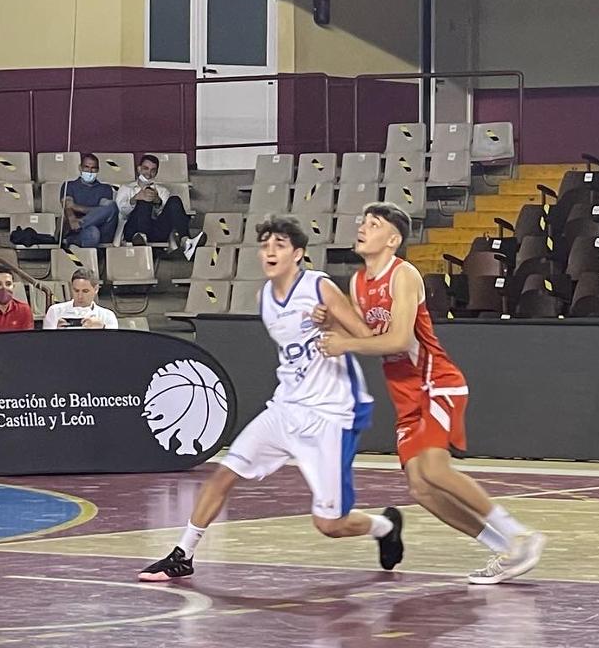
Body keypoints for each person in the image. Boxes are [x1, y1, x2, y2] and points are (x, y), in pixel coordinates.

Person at [138, 215, 404, 581]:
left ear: (298, 254)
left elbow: (367, 336)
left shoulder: (319, 287)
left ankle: (384, 527)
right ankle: (183, 554)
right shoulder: (265, 298)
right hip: (285, 407)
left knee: (329, 524)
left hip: (330, 413)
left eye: (279, 245)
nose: (270, 252)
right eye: (265, 246)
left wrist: (332, 324)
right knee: (224, 474)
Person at [318, 202, 546, 585]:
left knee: (436, 469)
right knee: (421, 488)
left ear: (392, 240)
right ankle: (504, 549)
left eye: (373, 225)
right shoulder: (358, 283)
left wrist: (345, 344)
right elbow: (366, 334)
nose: (362, 228)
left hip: (436, 381)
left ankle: (521, 535)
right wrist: (333, 319)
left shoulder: (402, 274)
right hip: (405, 394)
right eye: (363, 222)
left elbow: (399, 338)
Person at [115, 154, 204, 258]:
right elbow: (122, 212)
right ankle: (140, 238)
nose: (149, 173)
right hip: (132, 229)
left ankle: (186, 241)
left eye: (153, 170)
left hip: (155, 231)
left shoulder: (162, 191)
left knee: (174, 200)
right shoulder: (126, 188)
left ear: (156, 172)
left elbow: (169, 215)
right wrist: (135, 198)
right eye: (146, 168)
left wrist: (158, 202)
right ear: (139, 169)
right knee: (145, 197)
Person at [61, 153, 118, 248]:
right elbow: (67, 207)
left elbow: (105, 211)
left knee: (112, 206)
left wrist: (76, 207)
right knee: (93, 231)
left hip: (103, 229)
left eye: (93, 168)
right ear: (80, 168)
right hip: (78, 231)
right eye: (86, 167)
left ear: (98, 170)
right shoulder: (69, 185)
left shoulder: (105, 188)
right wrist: (72, 218)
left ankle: (82, 223)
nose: (90, 171)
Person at [42, 269, 117, 330]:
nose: (80, 296)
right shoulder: (55, 311)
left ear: (96, 289)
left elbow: (113, 345)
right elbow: (46, 343)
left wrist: (103, 329)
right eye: (76, 291)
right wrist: (56, 334)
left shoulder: (107, 316)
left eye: (85, 291)